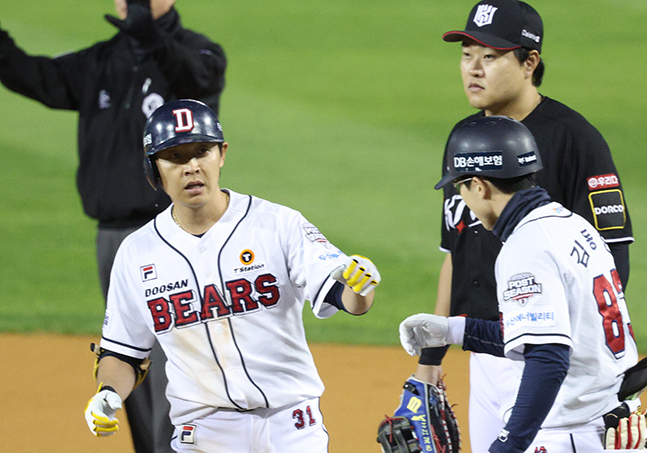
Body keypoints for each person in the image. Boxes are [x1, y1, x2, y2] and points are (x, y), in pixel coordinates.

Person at [83, 99, 381, 452]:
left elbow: (345, 296)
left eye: (202, 151)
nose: (191, 166)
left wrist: (360, 286)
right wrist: (107, 393)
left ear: (221, 154)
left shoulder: (276, 224)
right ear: (154, 169)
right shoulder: (136, 253)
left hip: (290, 428)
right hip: (204, 434)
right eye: (175, 157)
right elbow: (123, 352)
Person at [0, 1, 225, 451]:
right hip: (115, 239)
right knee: (127, 353)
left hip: (176, 235)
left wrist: (149, 37)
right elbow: (35, 77)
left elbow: (194, 81)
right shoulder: (102, 60)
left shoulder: (199, 53)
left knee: (174, 363)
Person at [412, 0, 633, 449]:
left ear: (529, 62)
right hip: (487, 349)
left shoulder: (576, 139)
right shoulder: (467, 138)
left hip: (548, 357)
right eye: (466, 54)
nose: (474, 69)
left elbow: (611, 266)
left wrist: (583, 365)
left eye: (490, 56)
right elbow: (455, 255)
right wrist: (430, 361)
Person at [400, 115, 640, 452]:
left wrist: (508, 445)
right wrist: (452, 330)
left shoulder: (526, 247)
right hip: (608, 422)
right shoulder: (574, 226)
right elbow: (546, 332)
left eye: (460, 187)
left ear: (480, 186)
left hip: (567, 433)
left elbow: (548, 357)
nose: (463, 200)